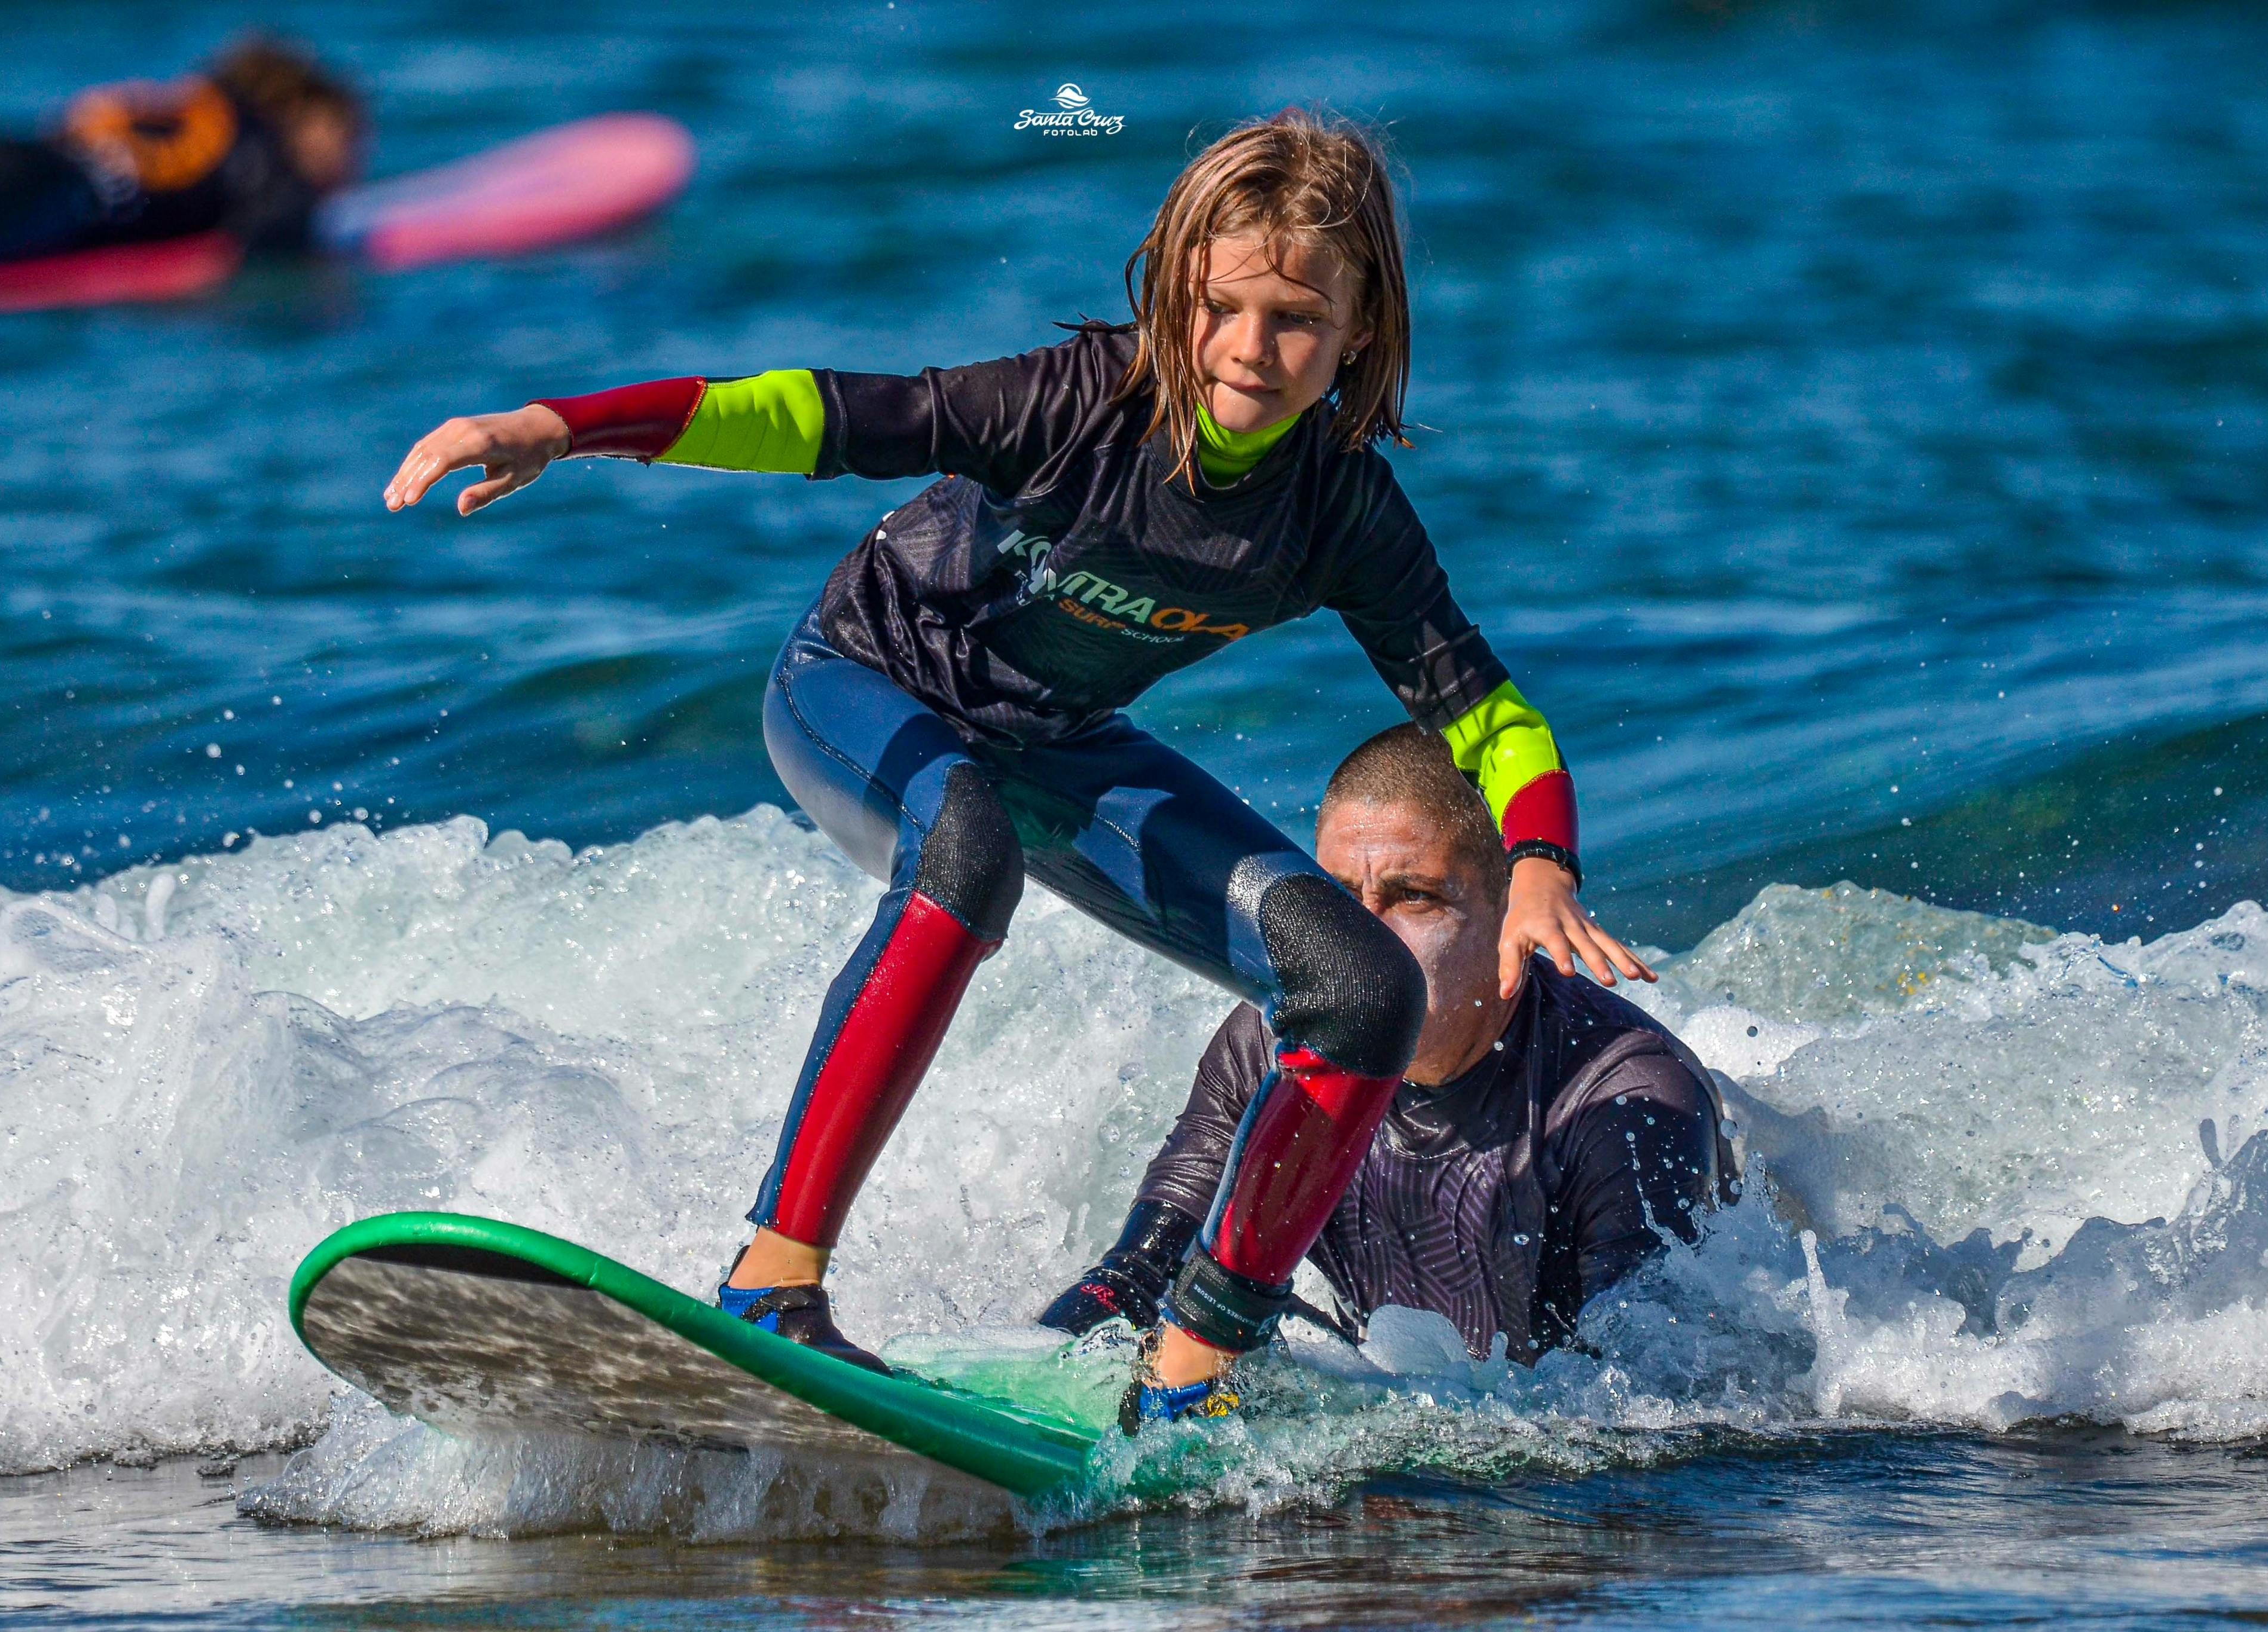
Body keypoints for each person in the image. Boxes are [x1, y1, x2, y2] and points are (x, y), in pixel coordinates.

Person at [381, 111, 1656, 1422]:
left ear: (1358, 336)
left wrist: (1542, 859)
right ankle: (773, 1281)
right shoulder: (1073, 408)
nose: (1248, 350)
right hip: (861, 684)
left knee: (1361, 989)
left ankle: (1189, 1372)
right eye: (1221, 307)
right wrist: (564, 424)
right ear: (1174, 289)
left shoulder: (1337, 510)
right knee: (963, 848)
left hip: (1056, 743)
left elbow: (1476, 700)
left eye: (1293, 320)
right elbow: (816, 413)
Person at [1041, 725, 1735, 1423]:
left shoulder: (1628, 1102)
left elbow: (1641, 1408)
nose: (1362, 941)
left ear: (1508, 916)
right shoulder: (1269, 1047)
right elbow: (1137, 1273)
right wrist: (1040, 1371)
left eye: (1414, 897)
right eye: (1335, 898)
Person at [0, 35, 364, 283]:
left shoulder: (191, 103)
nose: (352, 164)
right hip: (37, 200)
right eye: (346, 137)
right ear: (298, 111)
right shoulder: (261, 148)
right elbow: (273, 238)